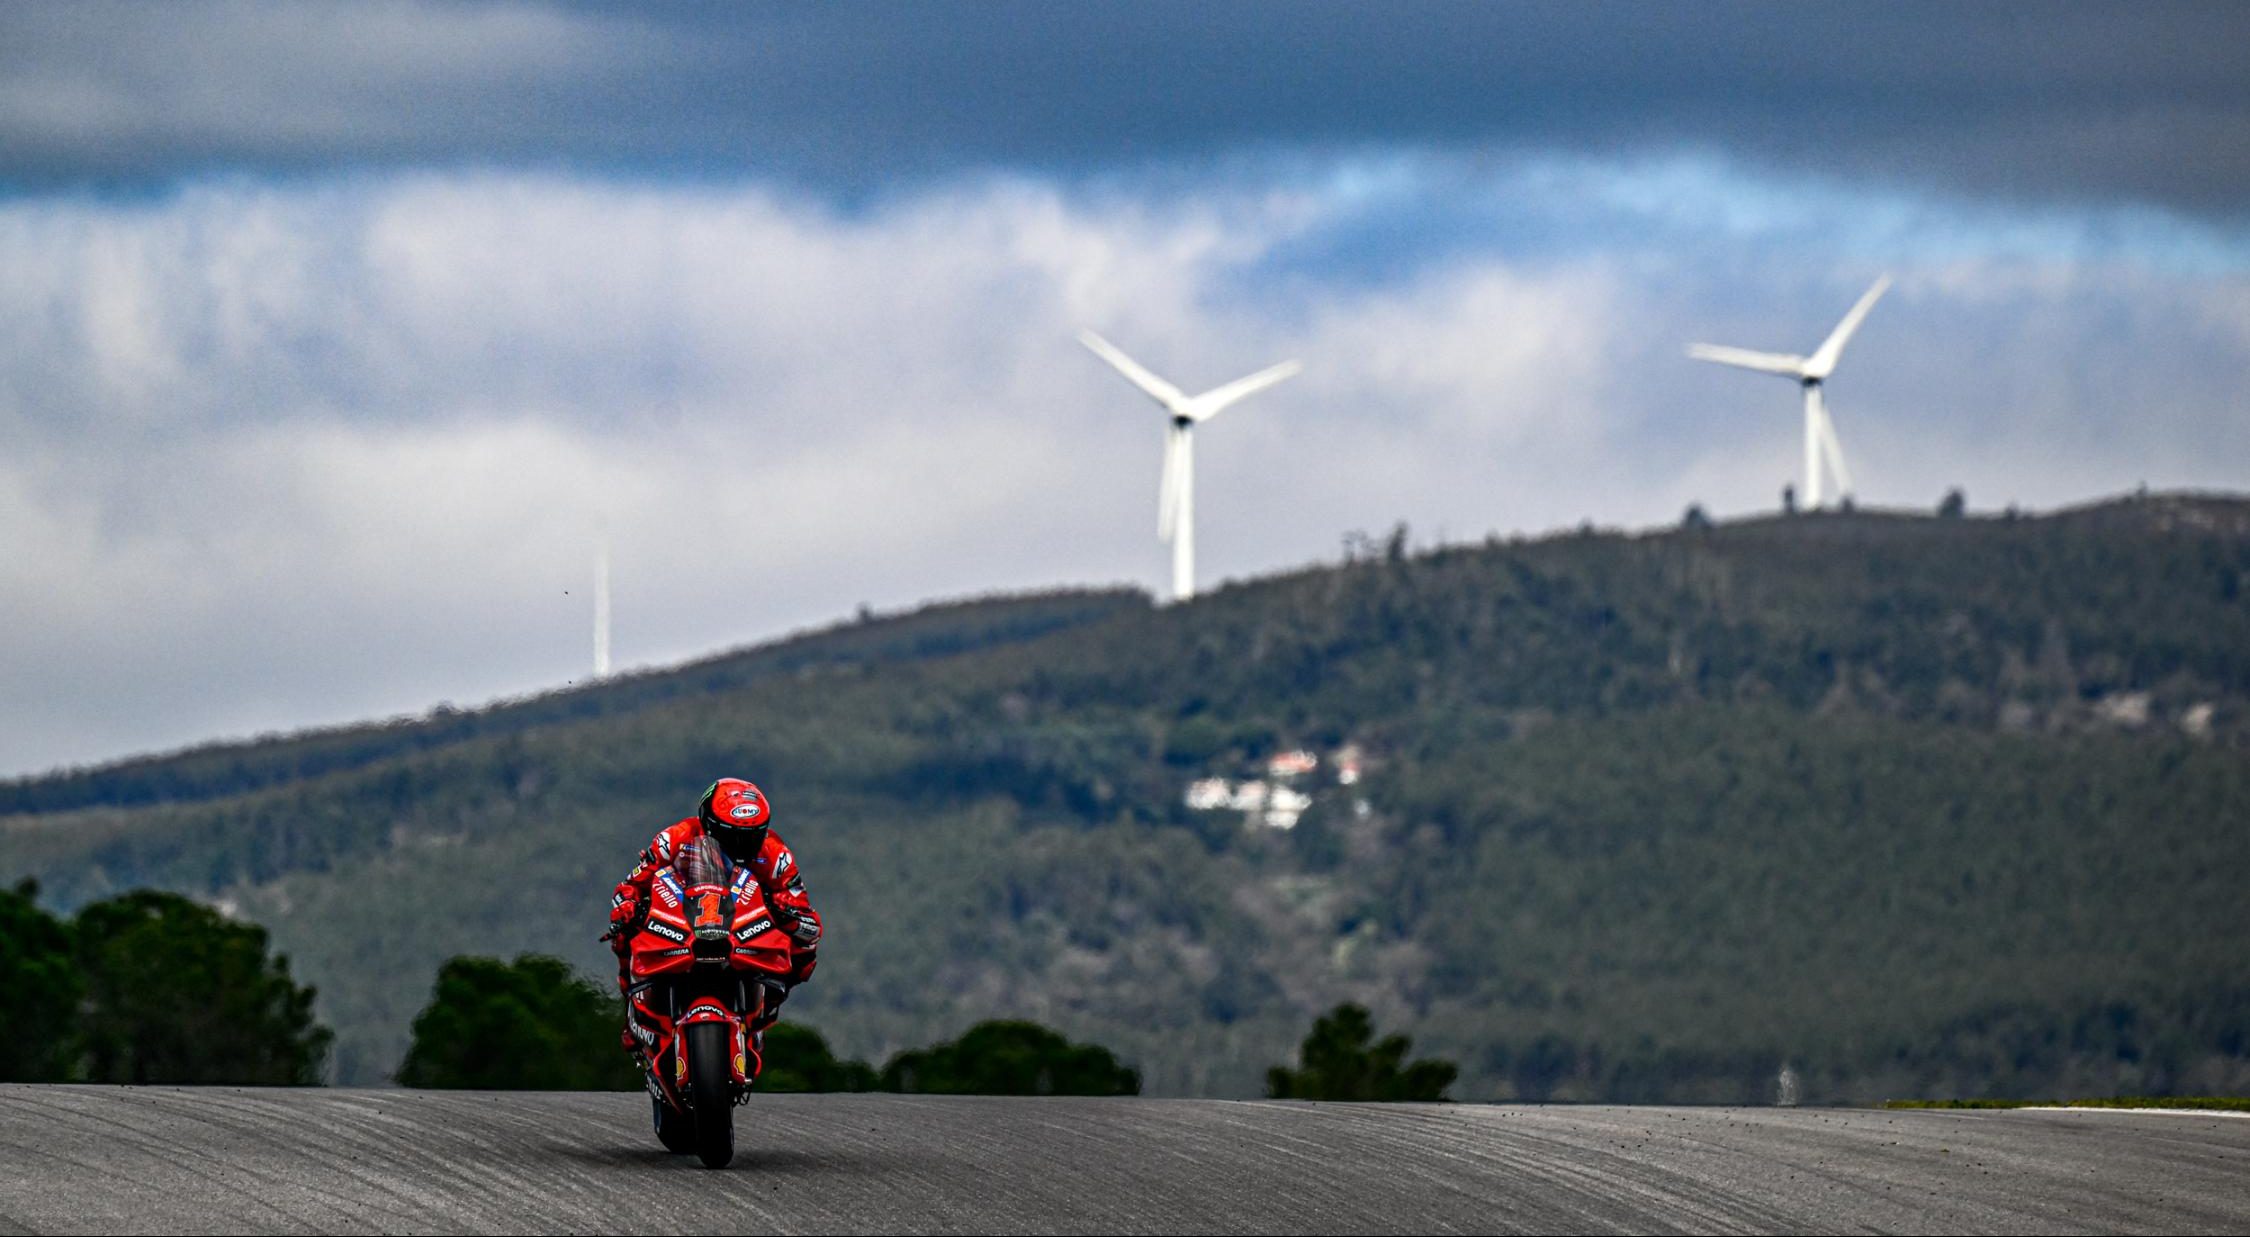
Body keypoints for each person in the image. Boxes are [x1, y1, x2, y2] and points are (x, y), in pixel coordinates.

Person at [607, 777, 822, 1031]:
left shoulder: (777, 856)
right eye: (731, 836)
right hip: (685, 917)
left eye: (752, 837)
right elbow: (630, 885)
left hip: (747, 926)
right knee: (622, 932)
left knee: (807, 945)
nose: (742, 847)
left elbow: (807, 919)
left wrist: (788, 914)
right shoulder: (674, 838)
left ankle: (770, 999)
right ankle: (632, 1006)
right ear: (709, 825)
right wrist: (629, 906)